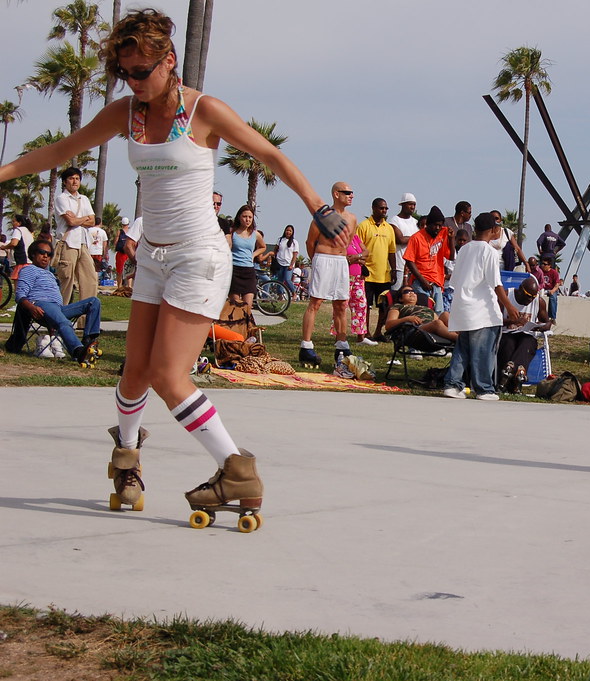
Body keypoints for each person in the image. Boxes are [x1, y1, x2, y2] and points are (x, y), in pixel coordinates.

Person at [0, 8, 353, 521]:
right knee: (134, 372)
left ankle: (237, 470)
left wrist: (318, 207)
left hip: (199, 258)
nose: (133, 82)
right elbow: (59, 150)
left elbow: (270, 155)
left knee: (168, 375)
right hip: (152, 257)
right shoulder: (127, 114)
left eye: (142, 72)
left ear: (169, 61)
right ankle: (126, 459)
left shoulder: (204, 110)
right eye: (124, 73)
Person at [442, 212, 525, 401]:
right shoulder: (489, 252)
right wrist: (510, 307)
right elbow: (496, 284)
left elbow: (455, 280)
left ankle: (453, 385)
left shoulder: (464, 250)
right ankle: (484, 388)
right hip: (482, 310)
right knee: (483, 351)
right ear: (494, 231)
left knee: (463, 349)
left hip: (462, 307)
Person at [4, 240, 102, 363]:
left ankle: (88, 342)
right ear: (33, 254)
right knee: (63, 321)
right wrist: (31, 308)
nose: (46, 256)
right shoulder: (28, 270)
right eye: (42, 252)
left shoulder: (50, 274)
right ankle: (77, 351)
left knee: (94, 302)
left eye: (49, 254)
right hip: (41, 305)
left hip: (57, 309)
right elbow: (20, 295)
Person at [301, 182, 360, 366]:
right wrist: (317, 260)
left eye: (352, 192)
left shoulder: (352, 219)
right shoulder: (322, 217)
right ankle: (306, 345)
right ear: (336, 194)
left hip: (341, 261)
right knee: (316, 302)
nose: (351, 195)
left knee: (342, 304)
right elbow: (310, 242)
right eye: (347, 192)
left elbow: (348, 242)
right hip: (323, 258)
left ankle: (342, 344)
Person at [52, 166, 99, 306]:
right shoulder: (62, 199)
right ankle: (60, 316)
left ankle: (85, 321)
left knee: (90, 280)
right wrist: (83, 219)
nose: (74, 181)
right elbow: (70, 221)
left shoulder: (83, 199)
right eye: (71, 178)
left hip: (83, 243)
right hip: (67, 243)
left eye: (77, 178)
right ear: (65, 182)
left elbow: (92, 221)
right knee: (66, 280)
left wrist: (78, 219)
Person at [497, 276, 551, 394]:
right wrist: (513, 321)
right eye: (528, 295)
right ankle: (516, 382)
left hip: (527, 335)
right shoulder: (506, 296)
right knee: (508, 345)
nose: (530, 299)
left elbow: (547, 322)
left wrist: (541, 326)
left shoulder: (539, 302)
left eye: (533, 296)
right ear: (520, 288)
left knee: (527, 343)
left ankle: (510, 370)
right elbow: (494, 320)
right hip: (507, 333)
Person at [356, 197, 396, 342]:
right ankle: (365, 333)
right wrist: (361, 267)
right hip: (367, 275)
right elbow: (357, 248)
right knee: (365, 305)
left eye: (386, 208)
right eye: (381, 208)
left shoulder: (389, 228)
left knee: (384, 306)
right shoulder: (363, 226)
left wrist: (394, 270)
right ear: (373, 208)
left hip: (383, 275)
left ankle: (378, 332)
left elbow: (392, 251)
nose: (384, 211)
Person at [404, 205, 452, 312]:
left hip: (437, 282)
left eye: (440, 225)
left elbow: (451, 256)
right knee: (424, 312)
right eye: (435, 225)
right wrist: (422, 280)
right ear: (428, 224)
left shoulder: (442, 234)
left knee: (439, 312)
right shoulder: (416, 238)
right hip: (420, 282)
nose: (438, 228)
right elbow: (409, 260)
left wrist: (451, 239)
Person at [383, 286, 458, 341]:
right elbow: (389, 325)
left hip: (432, 329)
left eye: (413, 291)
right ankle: (459, 339)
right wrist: (407, 319)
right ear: (400, 298)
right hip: (414, 331)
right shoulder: (398, 306)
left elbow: (439, 321)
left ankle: (461, 334)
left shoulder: (426, 308)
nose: (411, 293)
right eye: (406, 292)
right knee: (437, 323)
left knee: (445, 314)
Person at [227, 205, 265, 308]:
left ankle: (247, 324)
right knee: (235, 305)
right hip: (234, 270)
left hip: (248, 271)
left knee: (247, 306)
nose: (247, 219)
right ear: (239, 217)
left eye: (250, 217)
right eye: (245, 216)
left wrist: (253, 255)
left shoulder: (255, 234)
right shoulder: (232, 233)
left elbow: (262, 247)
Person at [390, 193, 419, 291]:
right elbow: (400, 239)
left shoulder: (415, 222)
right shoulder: (394, 220)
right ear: (403, 205)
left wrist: (409, 238)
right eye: (410, 204)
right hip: (399, 265)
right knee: (396, 294)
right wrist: (415, 238)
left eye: (414, 205)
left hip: (413, 267)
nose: (412, 207)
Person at [2, 214, 34, 280]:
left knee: (19, 286)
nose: (12, 223)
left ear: (19, 223)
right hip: (30, 261)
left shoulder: (18, 230)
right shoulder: (28, 232)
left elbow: (14, 243)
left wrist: (4, 247)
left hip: (22, 261)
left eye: (14, 221)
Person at [273, 225, 299, 296]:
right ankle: (280, 295)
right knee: (280, 280)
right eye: (287, 230)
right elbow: (275, 249)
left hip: (288, 264)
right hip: (280, 262)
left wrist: (291, 264)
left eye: (290, 231)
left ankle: (294, 293)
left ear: (292, 232)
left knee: (287, 279)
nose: (288, 232)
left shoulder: (294, 242)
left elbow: (295, 254)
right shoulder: (280, 240)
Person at [537, 255, 561, 320]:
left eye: (545, 264)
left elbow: (557, 284)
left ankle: (552, 317)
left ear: (549, 265)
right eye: (542, 264)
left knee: (553, 298)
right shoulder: (539, 271)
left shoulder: (554, 273)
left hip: (551, 289)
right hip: (542, 288)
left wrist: (552, 291)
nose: (542, 265)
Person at [113, 216, 131, 287]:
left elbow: (115, 242)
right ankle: (129, 286)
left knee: (119, 271)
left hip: (120, 253)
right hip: (129, 253)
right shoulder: (131, 231)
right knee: (129, 270)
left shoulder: (119, 231)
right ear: (128, 223)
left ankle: (119, 286)